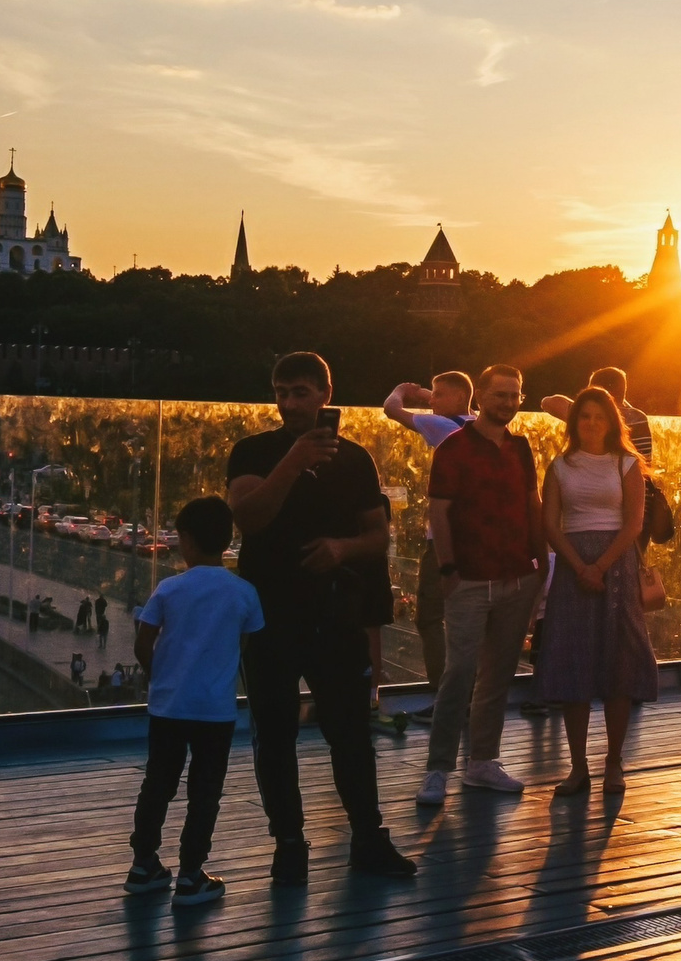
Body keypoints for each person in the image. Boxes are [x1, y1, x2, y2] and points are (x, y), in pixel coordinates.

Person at [224, 352, 414, 883]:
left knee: (350, 731)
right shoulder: (253, 451)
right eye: (281, 392)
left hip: (335, 612)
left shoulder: (354, 460)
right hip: (269, 613)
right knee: (274, 733)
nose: (288, 403)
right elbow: (248, 518)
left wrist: (340, 548)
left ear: (326, 394)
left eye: (300, 392)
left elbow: (377, 537)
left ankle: (367, 837)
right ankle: (289, 844)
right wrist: (293, 461)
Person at [123, 496, 264, 907]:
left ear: (186, 539)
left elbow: (142, 642)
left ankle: (143, 863)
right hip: (215, 711)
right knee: (205, 791)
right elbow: (244, 645)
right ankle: (190, 875)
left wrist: (160, 677)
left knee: (158, 784)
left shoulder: (169, 588)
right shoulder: (244, 593)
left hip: (169, 707)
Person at [420, 364, 546, 806]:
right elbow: (439, 511)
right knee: (458, 673)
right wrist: (448, 570)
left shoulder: (520, 448)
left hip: (517, 576)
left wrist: (540, 566)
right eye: (500, 395)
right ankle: (437, 769)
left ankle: (482, 761)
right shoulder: (453, 448)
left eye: (515, 395)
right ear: (481, 397)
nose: (508, 403)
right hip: (469, 580)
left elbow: (532, 504)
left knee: (498, 675)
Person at [537, 385, 658, 796]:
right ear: (575, 422)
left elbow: (634, 523)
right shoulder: (560, 465)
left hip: (616, 565)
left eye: (599, 417)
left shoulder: (627, 462)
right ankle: (578, 767)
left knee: (618, 662)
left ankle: (614, 762)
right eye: (585, 416)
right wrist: (579, 567)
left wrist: (600, 566)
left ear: (611, 423)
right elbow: (551, 524)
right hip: (573, 567)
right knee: (574, 661)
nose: (591, 423)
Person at [383, 370, 475, 690]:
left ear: (459, 397)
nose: (432, 401)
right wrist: (429, 393)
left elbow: (391, 409)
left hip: (446, 540)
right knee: (468, 617)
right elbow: (459, 398)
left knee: (429, 617)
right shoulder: (478, 424)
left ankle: (444, 693)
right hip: (476, 538)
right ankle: (470, 690)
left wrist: (401, 389)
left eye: (438, 395)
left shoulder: (442, 427)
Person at [540, 366, 657, 463]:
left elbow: (547, 402)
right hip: (642, 483)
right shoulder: (640, 417)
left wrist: (584, 406)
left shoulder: (595, 417)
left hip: (609, 484)